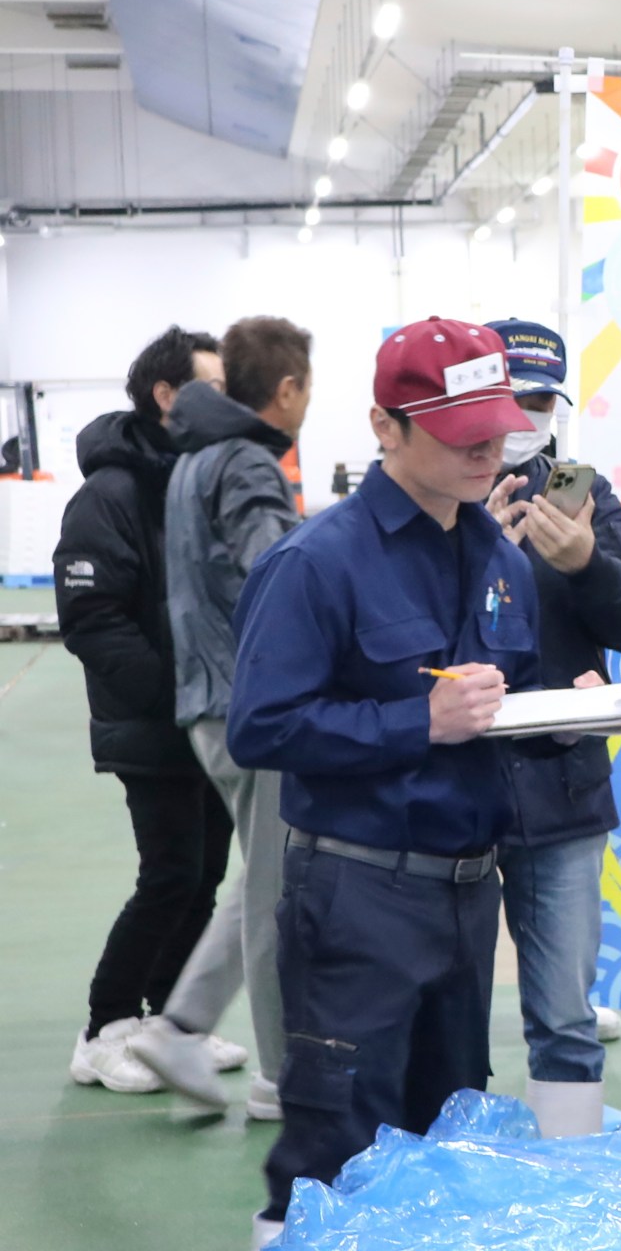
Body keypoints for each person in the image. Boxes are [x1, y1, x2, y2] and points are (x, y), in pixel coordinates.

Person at [228, 317, 547, 1247]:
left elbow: (501, 701)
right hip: (358, 892)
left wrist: (561, 707)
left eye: (495, 425)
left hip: (465, 891)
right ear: (386, 426)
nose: (489, 448)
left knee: (447, 1129)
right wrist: (420, 722)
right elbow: (263, 725)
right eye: (461, 432)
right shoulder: (316, 562)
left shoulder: (496, 555)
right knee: (339, 1142)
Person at [480, 318, 621, 1137]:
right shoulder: (434, 502)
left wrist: (585, 563)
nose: (526, 415)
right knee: (442, 1010)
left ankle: (572, 1166)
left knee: (565, 1009)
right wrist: (477, 554)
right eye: (512, 395)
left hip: (560, 783)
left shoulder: (574, 489)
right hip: (447, 787)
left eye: (540, 399)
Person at [127, 317, 313, 1119]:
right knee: (274, 889)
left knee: (262, 879)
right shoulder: (244, 462)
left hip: (210, 702)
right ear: (288, 389)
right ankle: (253, 1061)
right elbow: (280, 573)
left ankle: (191, 1028)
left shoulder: (193, 459)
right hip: (252, 704)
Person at [54, 325, 232, 1095]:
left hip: (218, 722)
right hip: (156, 723)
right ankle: (103, 1026)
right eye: (214, 390)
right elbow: (94, 619)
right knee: (170, 873)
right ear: (167, 396)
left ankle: (166, 1024)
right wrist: (172, 696)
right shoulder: (110, 494)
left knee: (208, 873)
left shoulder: (201, 480)